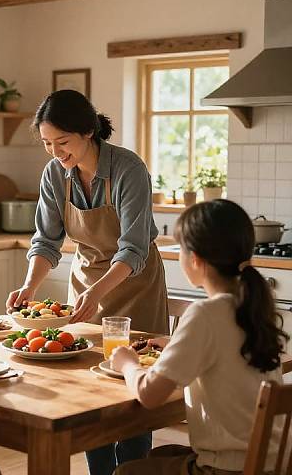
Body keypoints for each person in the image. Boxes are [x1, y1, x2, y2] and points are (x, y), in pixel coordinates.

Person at [6, 89, 169, 474]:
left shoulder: (128, 169)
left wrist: (98, 292)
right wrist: (29, 286)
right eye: (47, 143)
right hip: (86, 284)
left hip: (134, 285)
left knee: (132, 394)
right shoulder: (54, 174)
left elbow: (133, 248)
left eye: (62, 142)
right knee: (88, 396)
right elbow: (46, 241)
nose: (55, 152)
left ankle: (133, 469)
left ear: (88, 132)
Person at [111, 199, 290, 475]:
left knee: (126, 472)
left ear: (195, 259)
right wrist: (174, 346)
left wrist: (126, 363)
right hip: (269, 463)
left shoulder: (205, 314)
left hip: (228, 469)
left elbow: (149, 395)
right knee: (161, 454)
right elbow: (227, 353)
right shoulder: (251, 305)